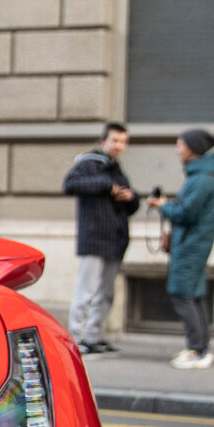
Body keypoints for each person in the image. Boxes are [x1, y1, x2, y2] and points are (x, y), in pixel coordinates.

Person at [60, 123, 138, 354]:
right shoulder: (89, 163)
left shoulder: (117, 169)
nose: (119, 146)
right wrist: (106, 186)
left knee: (106, 293)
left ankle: (94, 336)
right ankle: (76, 338)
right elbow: (69, 185)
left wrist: (131, 197)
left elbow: (131, 206)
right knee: (86, 291)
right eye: (115, 141)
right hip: (94, 238)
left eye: (123, 142)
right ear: (103, 141)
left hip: (115, 239)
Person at [156, 128, 214, 369]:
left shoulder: (202, 179)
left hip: (190, 246)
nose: (177, 150)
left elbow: (186, 213)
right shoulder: (202, 176)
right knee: (193, 296)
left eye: (180, 145)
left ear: (192, 148)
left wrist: (163, 206)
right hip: (191, 244)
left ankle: (197, 350)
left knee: (182, 295)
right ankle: (200, 348)